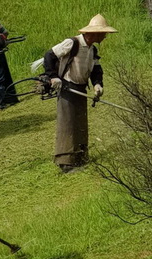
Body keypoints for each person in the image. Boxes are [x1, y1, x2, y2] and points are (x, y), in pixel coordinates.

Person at [44, 14, 117, 173]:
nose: (105, 36)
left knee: (81, 124)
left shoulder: (92, 49)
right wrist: (53, 77)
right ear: (95, 33)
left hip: (81, 88)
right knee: (68, 124)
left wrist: (98, 84)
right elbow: (49, 55)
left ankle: (81, 158)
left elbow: (96, 69)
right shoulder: (73, 43)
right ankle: (66, 163)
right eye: (103, 33)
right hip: (67, 88)